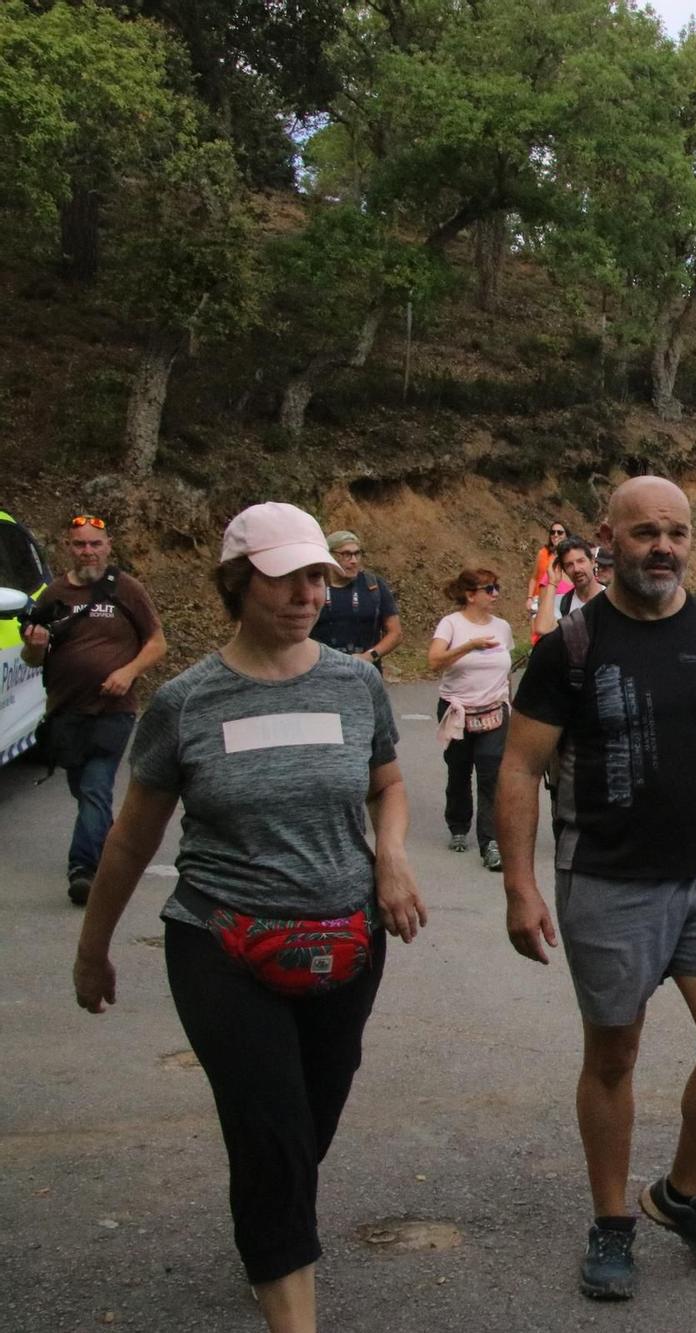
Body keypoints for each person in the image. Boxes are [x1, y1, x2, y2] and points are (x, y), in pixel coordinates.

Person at [72, 501, 425, 1332]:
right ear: (239, 582)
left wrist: (394, 855)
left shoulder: (356, 681)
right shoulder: (188, 703)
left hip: (346, 940)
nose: (309, 592)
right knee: (269, 1130)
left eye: (316, 575)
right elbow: (130, 840)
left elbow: (389, 784)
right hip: (221, 940)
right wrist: (94, 950)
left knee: (308, 1124)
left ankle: (272, 1238)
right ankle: (287, 1291)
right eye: (287, 578)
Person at [496, 476, 696, 1303]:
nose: (663, 546)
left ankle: (683, 1194)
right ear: (608, 537)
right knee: (614, 1056)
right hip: (607, 882)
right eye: (646, 532)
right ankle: (611, 1220)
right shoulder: (571, 647)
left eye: (677, 532)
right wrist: (520, 886)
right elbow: (520, 766)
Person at [21, 514, 167, 905]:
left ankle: (83, 870)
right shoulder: (54, 595)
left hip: (114, 709)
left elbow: (157, 643)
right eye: (80, 544)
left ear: (108, 545)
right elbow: (34, 657)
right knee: (83, 790)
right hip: (67, 711)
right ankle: (110, 851)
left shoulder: (126, 589)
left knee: (95, 787)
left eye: (95, 544)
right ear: (68, 547)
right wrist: (35, 646)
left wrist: (128, 671)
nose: (88, 551)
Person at [430, 568, 515, 870]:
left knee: (492, 773)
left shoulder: (503, 627)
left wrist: (508, 702)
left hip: (494, 709)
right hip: (457, 710)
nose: (495, 595)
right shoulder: (451, 624)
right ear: (470, 595)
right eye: (489, 589)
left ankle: (490, 842)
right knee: (459, 769)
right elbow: (434, 661)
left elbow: (506, 669)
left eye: (497, 588)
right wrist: (469, 645)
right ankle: (458, 824)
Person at [312, 530, 402, 668]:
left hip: (365, 673)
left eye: (357, 554)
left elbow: (395, 633)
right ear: (329, 555)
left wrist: (369, 656)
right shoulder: (313, 587)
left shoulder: (373, 585)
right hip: (321, 674)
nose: (353, 561)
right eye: (346, 554)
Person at [531, 538, 605, 640]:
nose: (576, 569)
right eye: (569, 565)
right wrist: (552, 582)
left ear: (592, 562)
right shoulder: (562, 603)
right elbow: (542, 628)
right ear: (564, 571)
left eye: (581, 561)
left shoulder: (611, 598)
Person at [528, 520, 574, 639]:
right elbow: (534, 577)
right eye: (553, 532)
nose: (555, 535)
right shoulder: (543, 553)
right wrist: (529, 598)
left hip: (560, 591)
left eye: (560, 532)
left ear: (566, 535)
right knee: (538, 632)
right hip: (540, 595)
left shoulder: (569, 556)